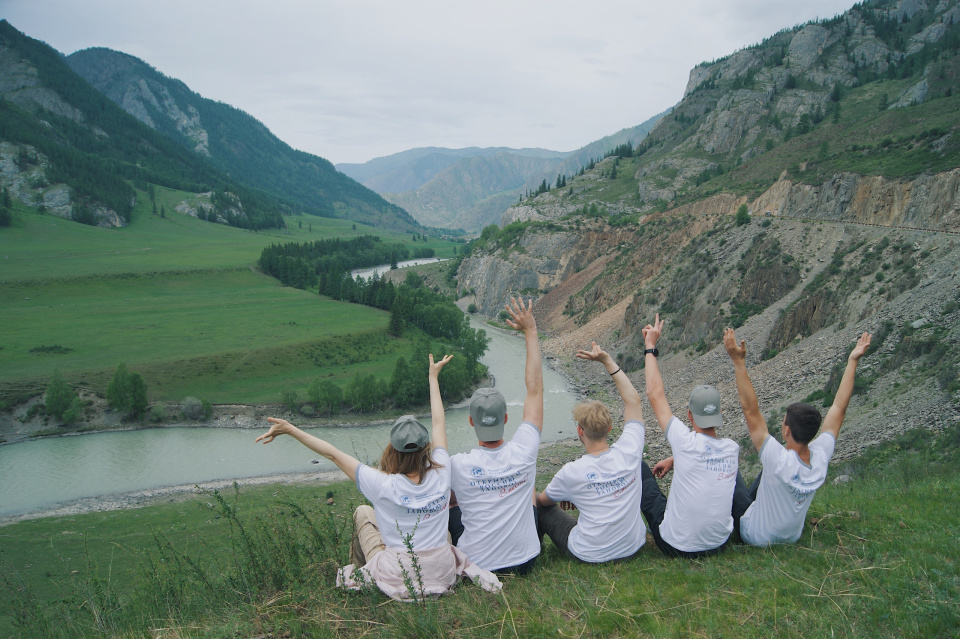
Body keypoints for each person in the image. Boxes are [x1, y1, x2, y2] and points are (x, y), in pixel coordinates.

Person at [255, 354, 501, 601]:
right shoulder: (442, 472)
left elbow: (332, 454)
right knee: (439, 534)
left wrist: (290, 429)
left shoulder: (382, 484)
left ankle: (364, 582)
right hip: (440, 572)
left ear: (392, 450)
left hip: (400, 574)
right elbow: (439, 423)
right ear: (426, 448)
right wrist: (433, 377)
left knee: (363, 511)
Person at [727, 329, 872, 546]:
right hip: (791, 537)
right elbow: (839, 408)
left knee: (729, 464)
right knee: (766, 472)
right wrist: (852, 361)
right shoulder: (820, 457)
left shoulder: (777, 460)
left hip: (755, 535)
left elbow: (750, 410)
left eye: (784, 421)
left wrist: (738, 362)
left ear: (786, 431)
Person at [448, 297, 543, 574]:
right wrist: (531, 331)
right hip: (526, 561)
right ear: (505, 418)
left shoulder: (459, 465)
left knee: (452, 508)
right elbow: (535, 390)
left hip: (481, 566)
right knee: (529, 491)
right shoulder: (525, 449)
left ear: (469, 421)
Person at [535, 341, 647, 563]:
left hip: (588, 554)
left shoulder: (572, 472)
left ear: (579, 431)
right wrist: (607, 360)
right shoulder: (630, 450)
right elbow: (634, 401)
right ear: (610, 428)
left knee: (538, 503)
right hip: (632, 546)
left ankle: (531, 552)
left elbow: (544, 502)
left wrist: (572, 493)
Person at [641, 313, 739, 558]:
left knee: (642, 473)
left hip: (676, 547)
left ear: (689, 415)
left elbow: (655, 394)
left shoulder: (684, 441)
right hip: (719, 544)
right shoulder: (731, 449)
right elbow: (704, 454)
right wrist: (675, 460)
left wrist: (650, 346)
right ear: (719, 414)